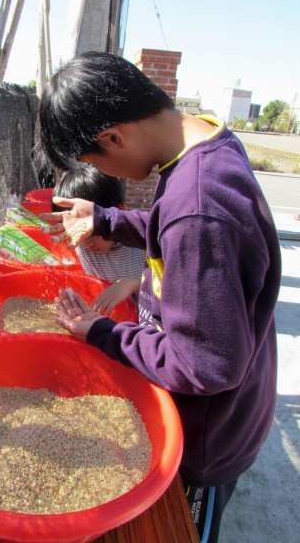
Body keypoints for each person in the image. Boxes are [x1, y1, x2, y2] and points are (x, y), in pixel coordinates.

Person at [38, 51, 281, 543]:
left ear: (114, 137)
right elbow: (175, 230)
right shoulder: (202, 146)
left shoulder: (198, 205)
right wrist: (106, 220)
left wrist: (102, 332)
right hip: (216, 409)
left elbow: (206, 365)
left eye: (94, 161)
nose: (118, 177)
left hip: (207, 436)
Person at [51, 165, 145, 314]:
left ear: (119, 212)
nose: (88, 244)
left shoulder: (142, 243)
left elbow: (167, 297)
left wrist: (133, 284)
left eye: (92, 231)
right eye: (78, 235)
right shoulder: (83, 246)